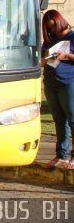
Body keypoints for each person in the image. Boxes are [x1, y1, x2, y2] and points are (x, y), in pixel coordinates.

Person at [41, 9, 74, 169]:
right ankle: (61, 155)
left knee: (72, 119)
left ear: (60, 22)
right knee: (59, 121)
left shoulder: (72, 37)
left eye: (53, 26)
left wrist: (66, 56)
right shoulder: (50, 40)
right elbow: (41, 62)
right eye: (48, 28)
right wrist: (47, 55)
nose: (52, 30)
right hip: (50, 83)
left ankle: (73, 157)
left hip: (68, 82)